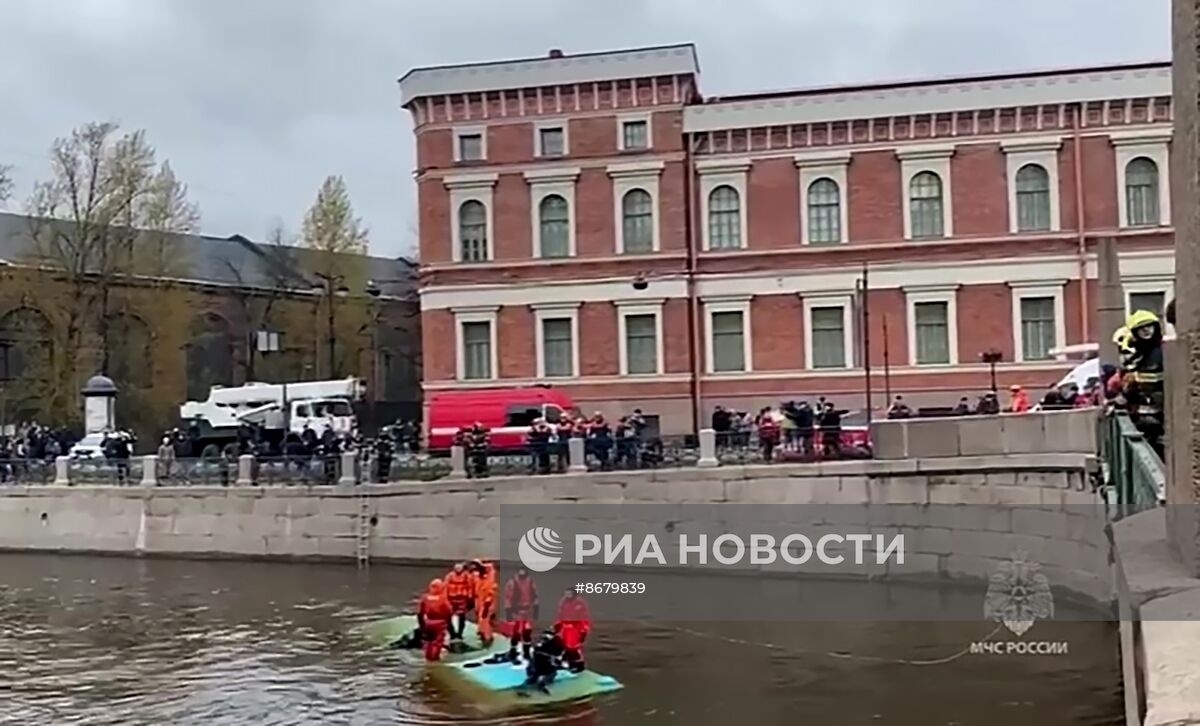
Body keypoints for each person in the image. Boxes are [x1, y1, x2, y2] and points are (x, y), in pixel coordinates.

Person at [1119, 310, 1166, 455]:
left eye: (1149, 327)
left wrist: (1134, 380)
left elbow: (1155, 379)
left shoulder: (1159, 352)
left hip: (1157, 414)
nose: (1146, 331)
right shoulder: (1140, 354)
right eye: (1141, 329)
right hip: (1143, 414)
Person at [503, 567, 540, 662]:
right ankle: (513, 650)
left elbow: (535, 595)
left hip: (528, 612)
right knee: (516, 633)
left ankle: (526, 652)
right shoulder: (512, 583)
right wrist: (508, 611)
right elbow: (508, 597)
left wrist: (536, 608)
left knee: (527, 632)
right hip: (516, 612)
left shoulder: (530, 582)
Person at [554, 588, 591, 673]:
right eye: (566, 593)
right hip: (565, 627)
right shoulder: (563, 602)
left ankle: (579, 665)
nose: (567, 595)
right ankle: (568, 663)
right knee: (564, 645)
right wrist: (557, 625)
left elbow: (584, 617)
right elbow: (560, 614)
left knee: (574, 647)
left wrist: (584, 630)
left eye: (569, 593)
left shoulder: (580, 604)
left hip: (575, 628)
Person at [521, 629, 567, 695]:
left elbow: (558, 657)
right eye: (545, 634)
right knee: (531, 680)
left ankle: (544, 690)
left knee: (542, 681)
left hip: (548, 669)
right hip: (538, 668)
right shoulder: (539, 645)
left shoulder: (557, 646)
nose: (545, 636)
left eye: (549, 634)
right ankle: (525, 689)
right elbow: (533, 658)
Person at [417, 578, 454, 662]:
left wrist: (422, 625)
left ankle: (428, 658)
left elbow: (420, 613)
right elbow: (449, 612)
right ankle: (434, 659)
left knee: (428, 642)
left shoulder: (425, 598)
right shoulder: (443, 599)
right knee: (437, 643)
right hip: (440, 623)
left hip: (428, 622)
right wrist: (448, 623)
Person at [470, 558, 498, 646]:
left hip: (487, 602)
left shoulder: (489, 576)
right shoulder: (477, 576)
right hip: (479, 601)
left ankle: (487, 637)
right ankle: (482, 632)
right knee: (480, 618)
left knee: (485, 619)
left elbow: (490, 591)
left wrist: (487, 603)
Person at [444, 562, 475, 641]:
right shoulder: (449, 576)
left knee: (462, 617)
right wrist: (445, 598)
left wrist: (470, 598)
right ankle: (452, 633)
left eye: (459, 568)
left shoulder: (467, 576)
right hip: (451, 599)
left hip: (462, 600)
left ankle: (460, 634)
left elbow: (470, 587)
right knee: (447, 617)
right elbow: (445, 587)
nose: (458, 570)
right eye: (456, 568)